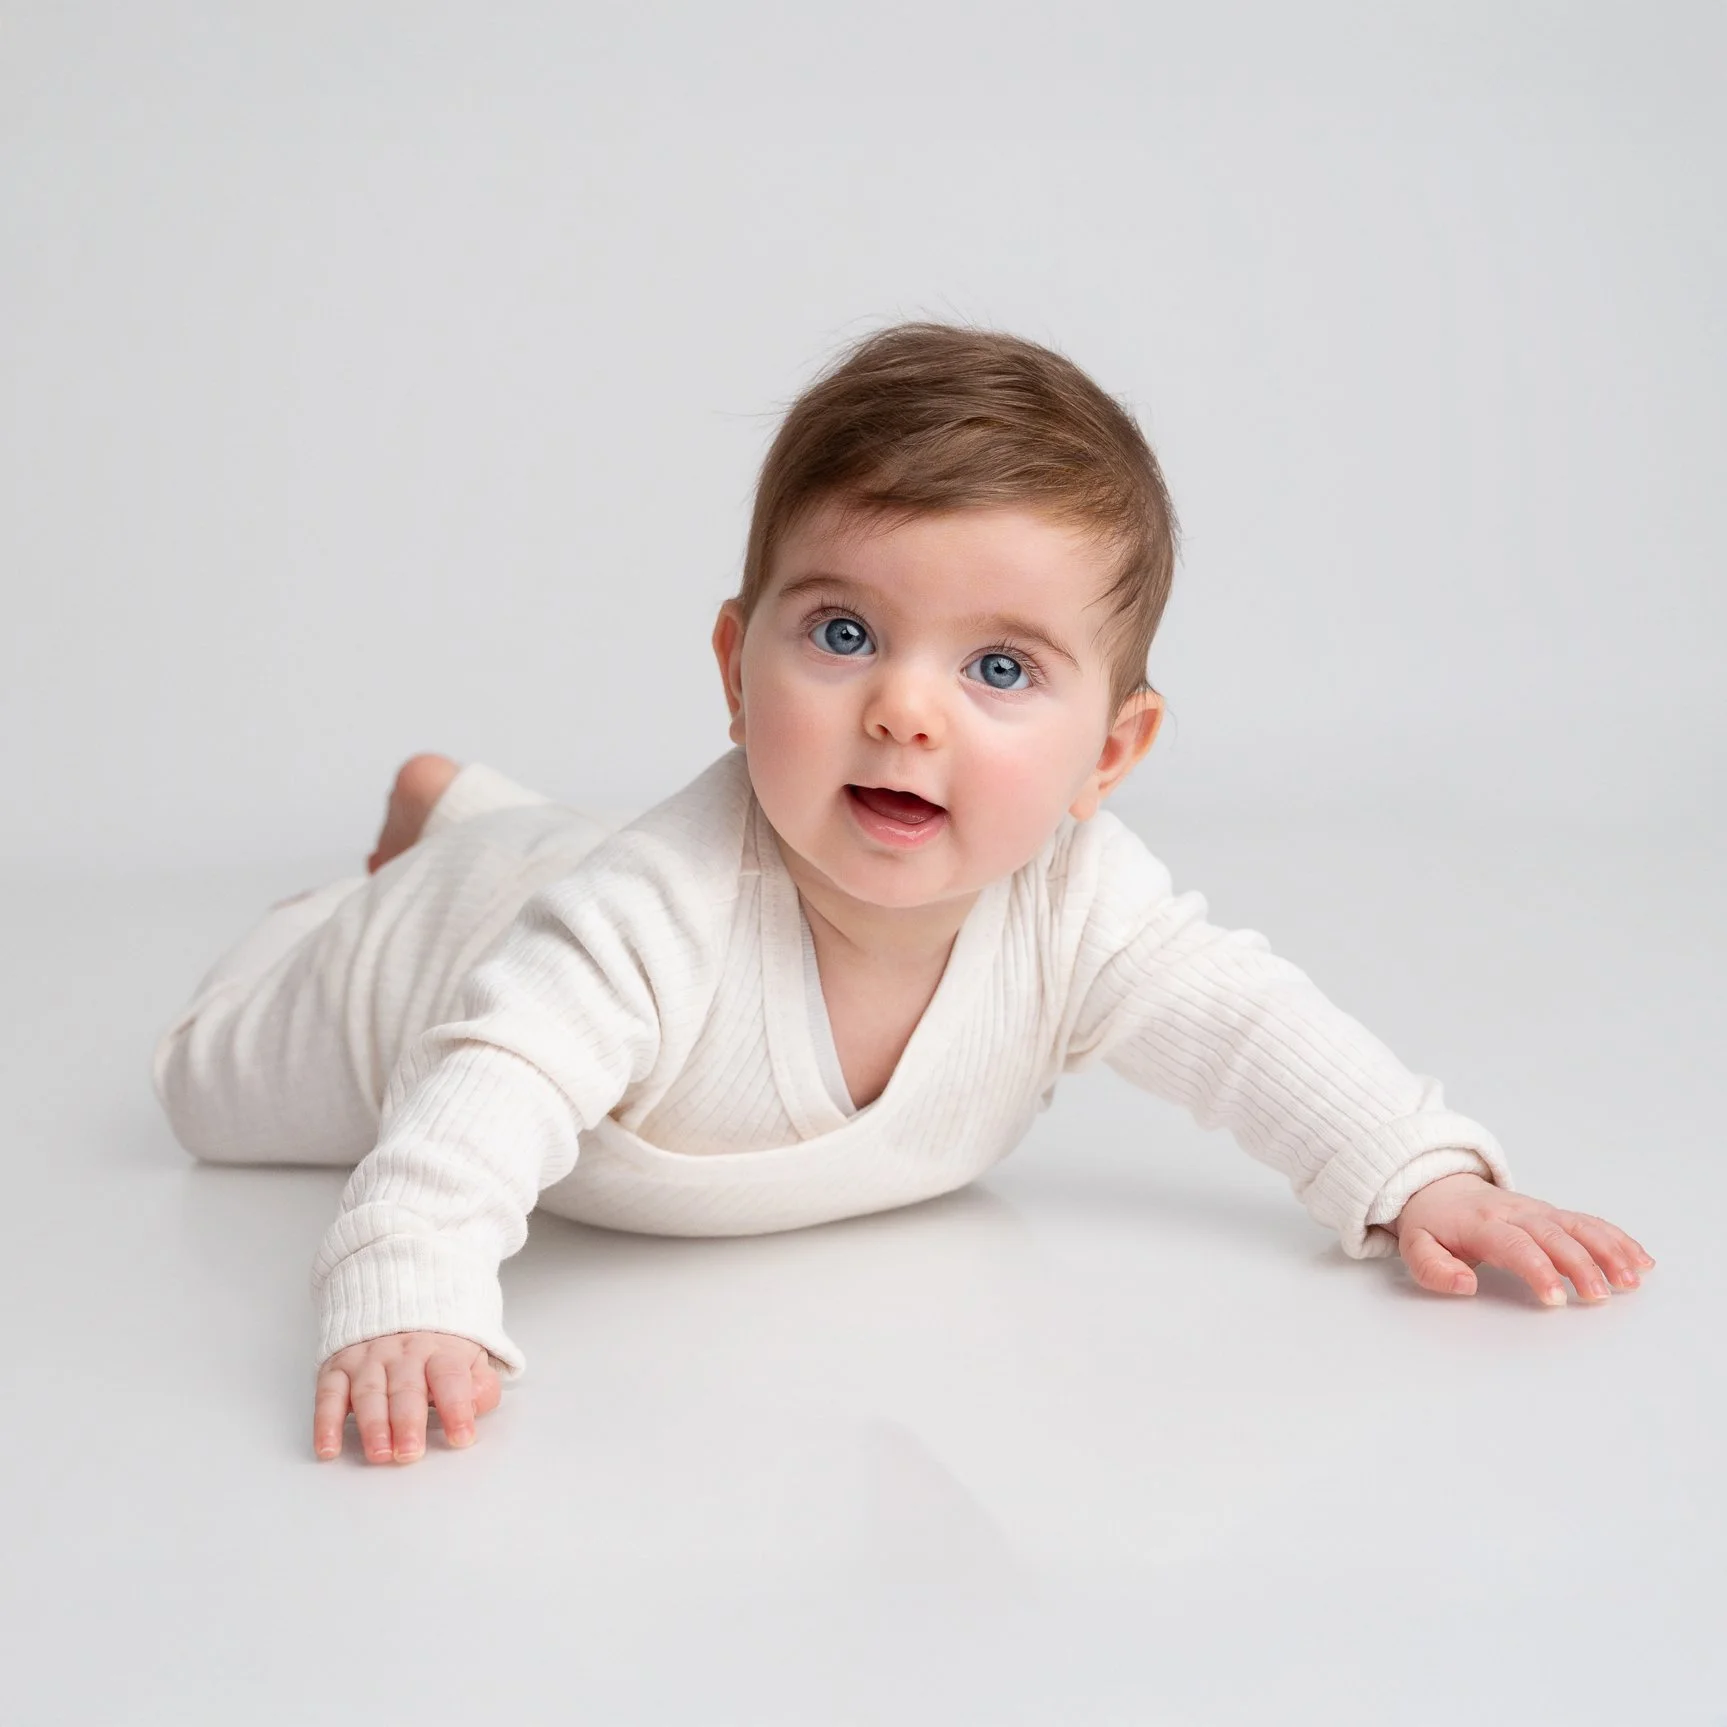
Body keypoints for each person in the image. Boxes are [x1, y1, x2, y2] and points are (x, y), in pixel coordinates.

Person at [150, 321, 1656, 1468]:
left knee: (565, 854)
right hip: (439, 958)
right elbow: (474, 1106)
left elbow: (1242, 1021)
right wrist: (410, 1296)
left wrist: (1420, 1174)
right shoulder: (635, 927)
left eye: (1000, 668)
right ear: (736, 670)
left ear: (1108, 751)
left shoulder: (1072, 903)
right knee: (208, 1090)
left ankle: (470, 803)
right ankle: (439, 841)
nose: (907, 712)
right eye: (845, 633)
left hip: (571, 869)